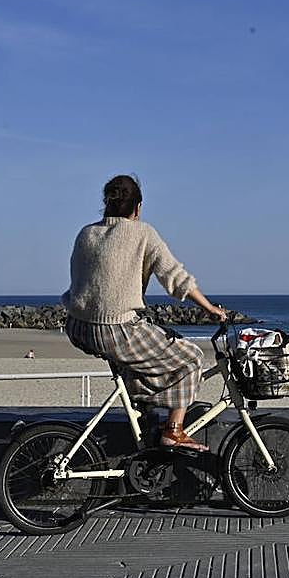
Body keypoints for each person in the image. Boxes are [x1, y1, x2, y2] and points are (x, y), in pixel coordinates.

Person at [61, 174, 226, 451]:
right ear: (137, 207)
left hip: (77, 326)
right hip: (114, 329)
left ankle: (143, 409)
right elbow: (175, 277)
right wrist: (209, 308)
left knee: (154, 349)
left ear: (107, 204)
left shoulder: (86, 233)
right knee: (191, 358)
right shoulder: (142, 233)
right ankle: (173, 430)